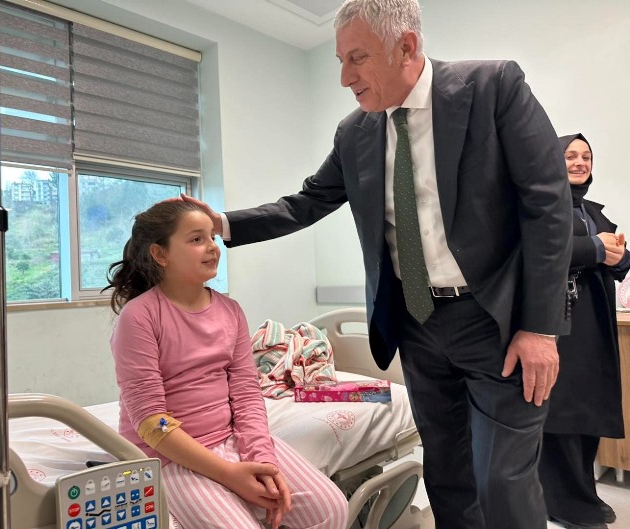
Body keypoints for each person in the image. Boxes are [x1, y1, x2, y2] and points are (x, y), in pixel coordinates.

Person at [178, 1, 574, 528]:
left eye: (357, 58)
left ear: (405, 47)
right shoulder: (356, 132)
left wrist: (539, 328)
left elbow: (548, 206)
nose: (345, 78)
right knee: (447, 475)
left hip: (497, 320)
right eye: (340, 61)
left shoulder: (492, 88)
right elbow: (306, 203)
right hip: (418, 325)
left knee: (501, 478)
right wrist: (223, 223)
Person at [105, 201, 349, 529]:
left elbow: (247, 394)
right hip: (169, 455)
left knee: (330, 509)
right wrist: (229, 474)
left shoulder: (230, 311)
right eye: (196, 239)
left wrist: (262, 460)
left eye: (212, 237)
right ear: (161, 254)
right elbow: (152, 422)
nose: (212, 247)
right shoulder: (139, 317)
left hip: (230, 437)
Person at [539, 133, 630, 529]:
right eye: (571, 156)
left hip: (595, 326)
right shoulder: (542, 208)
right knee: (563, 416)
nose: (580, 162)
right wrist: (596, 248)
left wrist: (618, 255)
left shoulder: (594, 211)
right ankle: (564, 503)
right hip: (560, 327)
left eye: (586, 156)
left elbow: (619, 261)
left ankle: (584, 494)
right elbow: (541, 254)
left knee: (590, 412)